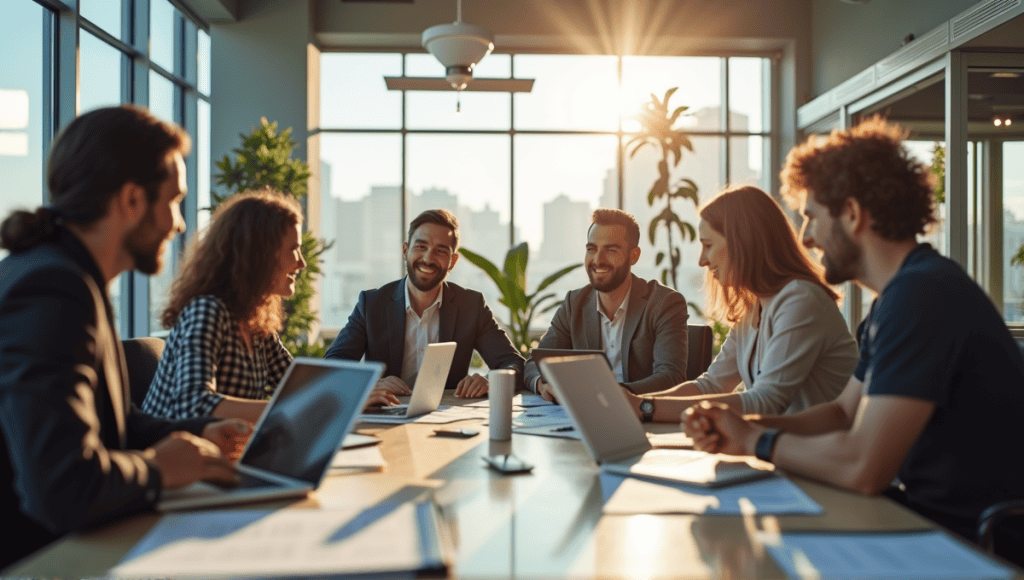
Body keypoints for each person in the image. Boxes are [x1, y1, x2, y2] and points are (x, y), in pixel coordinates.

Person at [683, 118, 1024, 563]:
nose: (805, 237)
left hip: (971, 543)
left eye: (811, 218)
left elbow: (863, 468)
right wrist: (747, 430)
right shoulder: (897, 299)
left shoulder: (922, 296)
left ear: (851, 213)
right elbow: (844, 413)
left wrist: (753, 443)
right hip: (925, 519)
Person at [0, 105, 249, 568]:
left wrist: (200, 434)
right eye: (173, 201)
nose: (178, 223)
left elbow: (109, 422)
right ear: (132, 200)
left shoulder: (66, 275)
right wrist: (158, 469)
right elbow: (62, 486)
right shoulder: (53, 289)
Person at [141, 190, 399, 424]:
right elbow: (194, 405)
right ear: (260, 253)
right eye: (294, 249)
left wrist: (355, 393)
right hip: (177, 463)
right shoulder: (208, 311)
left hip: (226, 452)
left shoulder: (256, 321)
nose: (301, 264)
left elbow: (296, 386)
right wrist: (312, 404)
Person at [623, 186, 858, 422]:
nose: (702, 260)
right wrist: (638, 405)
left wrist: (645, 407)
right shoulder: (752, 308)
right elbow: (712, 386)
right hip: (784, 447)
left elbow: (764, 402)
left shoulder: (800, 300)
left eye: (708, 245)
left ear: (742, 242)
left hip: (822, 452)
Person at [324, 209, 524, 398]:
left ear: (452, 261)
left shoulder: (471, 306)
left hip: (447, 421)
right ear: (405, 250)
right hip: (385, 418)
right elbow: (332, 367)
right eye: (421, 247)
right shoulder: (371, 305)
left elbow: (513, 363)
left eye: (440, 250)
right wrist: (368, 386)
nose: (428, 258)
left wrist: (490, 381)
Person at [524, 208, 689, 399]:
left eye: (610, 250)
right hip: (581, 417)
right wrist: (541, 384)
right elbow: (534, 364)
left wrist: (609, 394)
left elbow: (671, 378)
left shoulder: (664, 303)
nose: (598, 260)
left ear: (634, 256)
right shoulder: (574, 304)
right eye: (591, 249)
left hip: (641, 417)